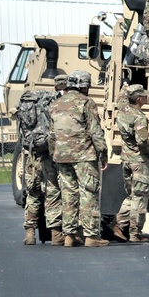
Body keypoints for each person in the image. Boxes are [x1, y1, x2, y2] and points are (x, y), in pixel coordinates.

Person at [49, 70, 108, 247]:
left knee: (68, 194)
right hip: (84, 155)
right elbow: (95, 131)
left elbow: (52, 135)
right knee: (88, 192)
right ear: (84, 86)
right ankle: (91, 236)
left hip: (61, 156)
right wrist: (103, 154)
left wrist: (55, 153)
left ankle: (69, 235)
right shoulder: (87, 102)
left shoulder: (55, 104)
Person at [23, 73, 68, 246]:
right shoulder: (59, 105)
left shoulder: (38, 103)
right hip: (50, 156)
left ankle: (29, 233)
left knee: (33, 193)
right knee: (53, 193)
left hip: (33, 155)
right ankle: (56, 234)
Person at [112, 84, 149, 243]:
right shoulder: (139, 117)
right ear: (139, 99)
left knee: (131, 195)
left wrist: (124, 87)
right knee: (140, 196)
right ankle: (134, 233)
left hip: (125, 159)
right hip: (138, 161)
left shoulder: (122, 111)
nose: (146, 97)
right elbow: (142, 141)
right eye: (144, 96)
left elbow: (121, 99)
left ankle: (118, 224)